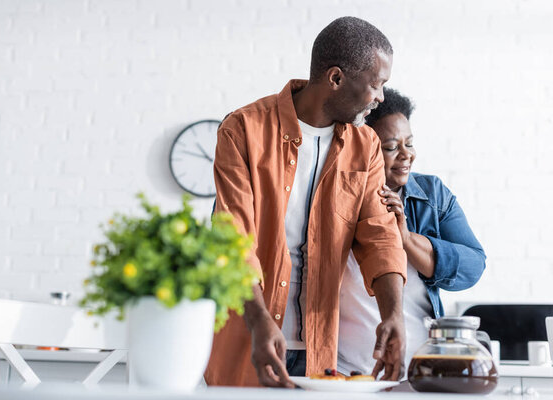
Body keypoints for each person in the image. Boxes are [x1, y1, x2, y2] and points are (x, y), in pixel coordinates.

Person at [205, 17, 408, 387]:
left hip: (320, 355)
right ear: (336, 79)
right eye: (377, 84)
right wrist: (259, 321)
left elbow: (380, 238)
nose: (380, 97)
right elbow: (233, 241)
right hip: (249, 342)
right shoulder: (243, 129)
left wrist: (393, 314)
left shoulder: (367, 147)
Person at [337, 87, 487, 376]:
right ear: (364, 149)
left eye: (410, 143)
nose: (407, 155)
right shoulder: (335, 198)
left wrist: (405, 238)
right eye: (392, 147)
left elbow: (474, 266)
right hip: (344, 370)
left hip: (421, 368)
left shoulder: (432, 195)